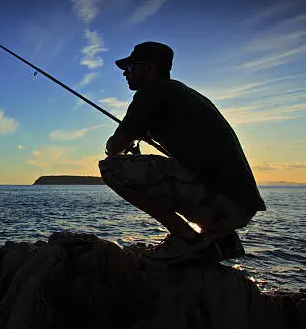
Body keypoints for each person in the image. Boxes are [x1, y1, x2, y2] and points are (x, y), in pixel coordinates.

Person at [99, 41, 266, 263]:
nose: (124, 73)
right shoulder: (181, 93)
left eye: (129, 67)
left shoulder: (150, 94)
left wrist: (122, 140)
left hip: (223, 203)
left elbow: (115, 147)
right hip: (241, 204)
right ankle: (222, 239)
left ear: (150, 68)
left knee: (112, 168)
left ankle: (188, 239)